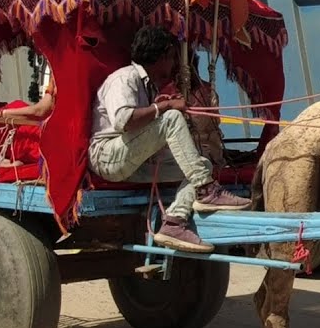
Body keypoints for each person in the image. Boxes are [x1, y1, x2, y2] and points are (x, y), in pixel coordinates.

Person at [88, 24, 250, 253]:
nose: (174, 65)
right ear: (162, 56)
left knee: (202, 163)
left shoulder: (150, 86)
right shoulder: (124, 78)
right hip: (107, 156)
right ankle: (206, 189)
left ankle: (174, 221)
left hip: (134, 161)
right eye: (172, 58)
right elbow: (123, 121)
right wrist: (165, 106)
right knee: (172, 117)